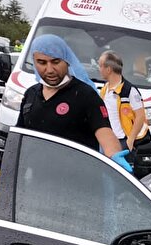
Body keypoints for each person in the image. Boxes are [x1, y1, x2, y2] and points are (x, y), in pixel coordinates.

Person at [16, 34, 129, 167]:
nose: (50, 70)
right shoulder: (31, 95)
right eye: (42, 62)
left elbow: (104, 133)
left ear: (67, 60)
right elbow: (20, 137)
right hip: (36, 178)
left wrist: (114, 156)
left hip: (77, 180)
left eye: (56, 62)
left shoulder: (85, 95)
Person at [98, 50, 147, 151]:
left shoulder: (129, 91)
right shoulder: (104, 89)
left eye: (100, 66)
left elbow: (140, 116)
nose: (99, 69)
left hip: (122, 142)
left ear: (108, 69)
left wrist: (130, 140)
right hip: (106, 140)